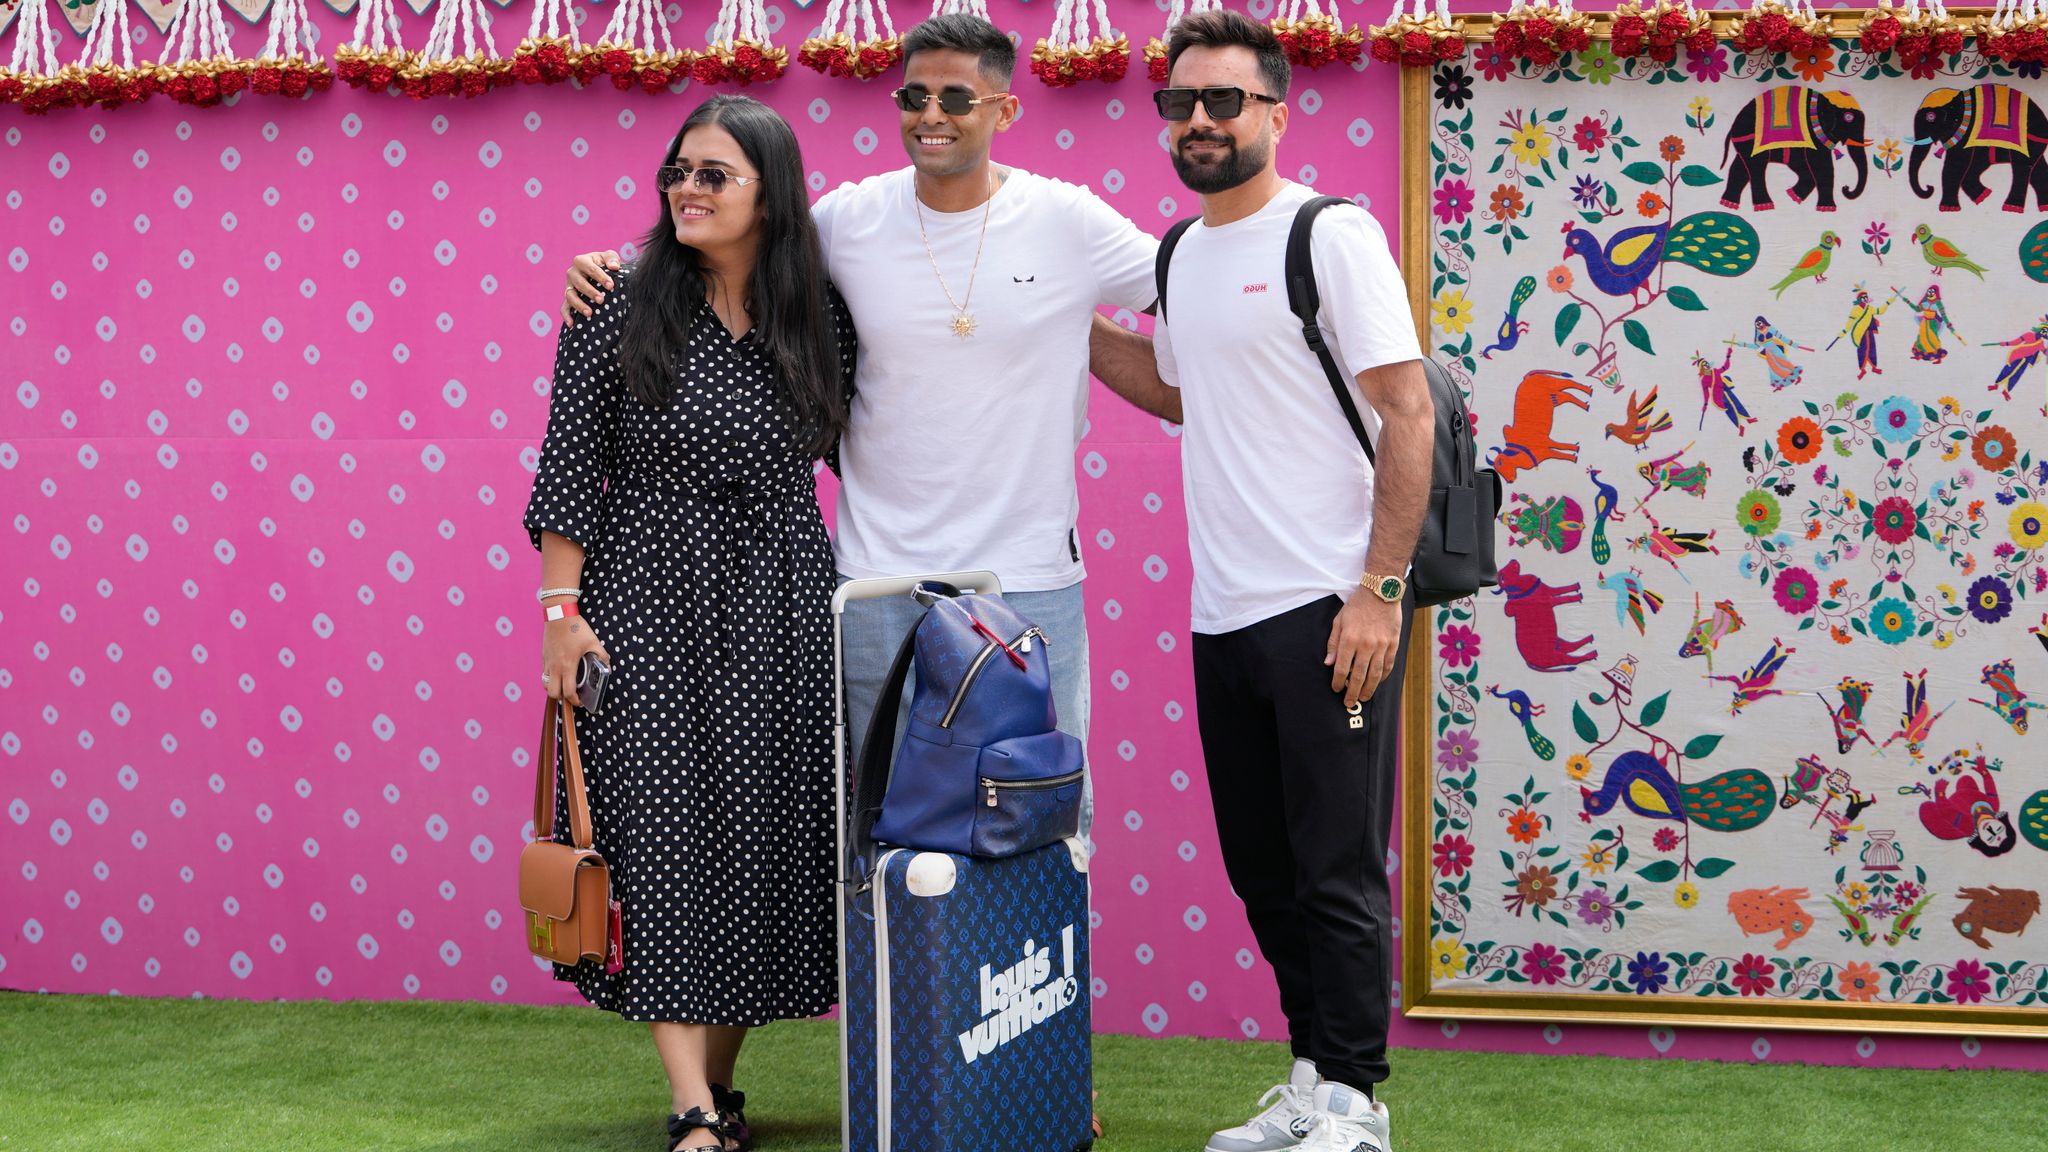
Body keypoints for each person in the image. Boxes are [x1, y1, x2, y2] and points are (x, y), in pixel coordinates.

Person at [558, 14, 1177, 845]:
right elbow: (733, 233)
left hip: (1029, 578)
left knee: (1041, 819)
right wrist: (614, 266)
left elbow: (1189, 292)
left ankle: (1029, 977)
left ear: (1004, 109)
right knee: (875, 832)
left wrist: (1083, 326)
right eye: (913, 94)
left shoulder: (1068, 220)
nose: (932, 113)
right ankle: (898, 983)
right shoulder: (850, 221)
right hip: (876, 582)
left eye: (956, 96)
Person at [1090, 11, 1433, 1152]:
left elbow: (1405, 407)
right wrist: (1072, 329)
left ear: (1274, 115)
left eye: (1222, 101)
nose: (1197, 120)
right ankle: (1311, 1079)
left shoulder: (1327, 234)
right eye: (1178, 102)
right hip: (1222, 611)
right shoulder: (1182, 253)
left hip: (1328, 605)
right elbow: (1187, 392)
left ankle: (1355, 1103)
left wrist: (1377, 589)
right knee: (1263, 868)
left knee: (1335, 862)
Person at [523, 94, 855, 1152]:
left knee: (765, 840)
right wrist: (559, 616)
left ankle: (719, 1083)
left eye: (714, 174)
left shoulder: (821, 314)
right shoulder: (615, 303)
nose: (687, 189)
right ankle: (690, 1107)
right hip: (647, 596)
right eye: (678, 170)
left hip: (786, 598)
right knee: (663, 835)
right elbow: (571, 468)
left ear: (770, 194)